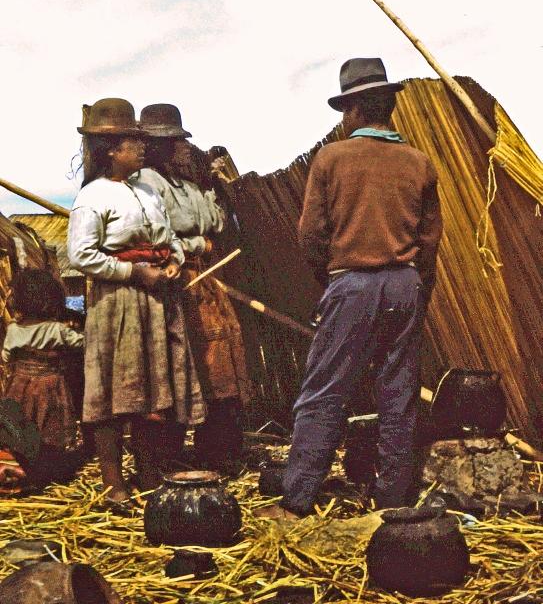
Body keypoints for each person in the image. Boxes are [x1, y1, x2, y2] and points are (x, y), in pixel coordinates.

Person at [259, 58, 443, 519]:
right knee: (398, 393)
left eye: (346, 110)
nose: (344, 121)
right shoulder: (419, 163)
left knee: (325, 389)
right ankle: (394, 502)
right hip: (405, 285)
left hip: (352, 285)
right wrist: (419, 290)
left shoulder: (333, 159)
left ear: (359, 109)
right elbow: (430, 239)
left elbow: (311, 235)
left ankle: (297, 499)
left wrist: (334, 279)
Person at [68, 98, 206, 510]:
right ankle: (115, 485)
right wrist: (133, 273)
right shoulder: (94, 196)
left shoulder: (147, 188)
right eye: (133, 141)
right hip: (119, 303)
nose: (143, 147)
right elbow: (82, 255)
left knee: (152, 395)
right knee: (114, 394)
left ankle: (149, 474)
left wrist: (174, 263)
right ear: (110, 149)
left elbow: (168, 239)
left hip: (157, 297)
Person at [137, 104, 252, 470]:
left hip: (207, 282)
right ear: (158, 146)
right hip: (173, 281)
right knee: (179, 366)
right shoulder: (144, 184)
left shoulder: (186, 186)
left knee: (220, 362)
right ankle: (166, 457)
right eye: (176, 141)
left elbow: (215, 219)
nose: (185, 147)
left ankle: (217, 450)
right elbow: (156, 234)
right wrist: (196, 244)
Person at [2, 269, 83, 470]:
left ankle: (23, 463)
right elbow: (81, 343)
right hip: (50, 386)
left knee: (22, 422)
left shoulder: (13, 329)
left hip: (19, 386)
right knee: (50, 424)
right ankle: (50, 465)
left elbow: (5, 357)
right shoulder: (57, 330)